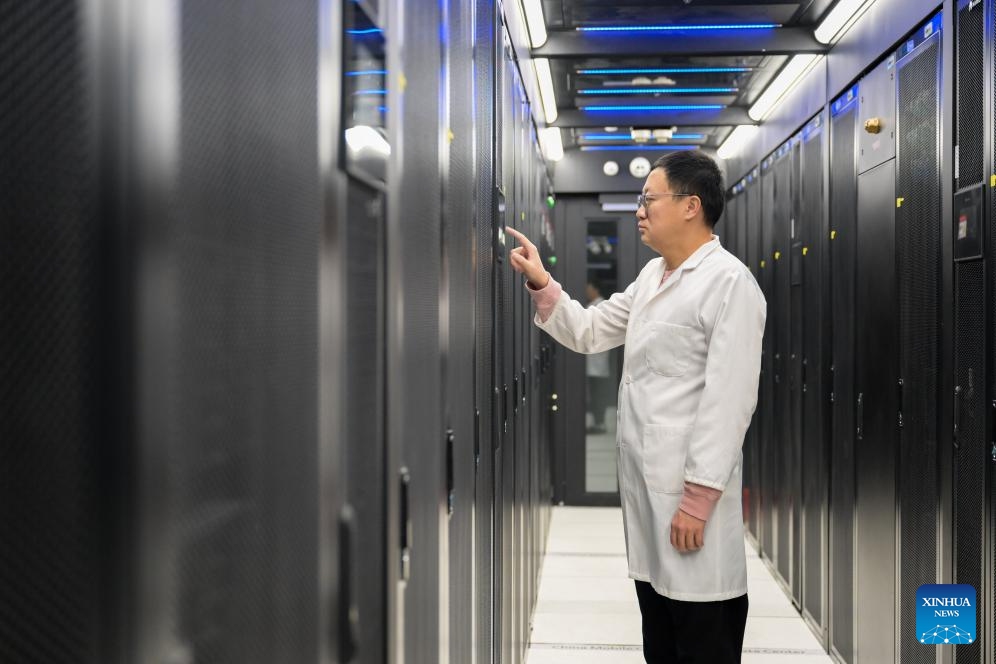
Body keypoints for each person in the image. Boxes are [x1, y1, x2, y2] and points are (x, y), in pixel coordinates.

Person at [506, 151, 765, 664]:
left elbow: (729, 401)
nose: (639, 211)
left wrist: (697, 499)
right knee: (661, 643)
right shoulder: (653, 276)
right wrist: (541, 281)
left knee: (701, 638)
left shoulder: (729, 283)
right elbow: (590, 330)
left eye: (649, 199)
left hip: (692, 506)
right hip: (650, 504)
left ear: (691, 206)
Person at [584, 279, 612, 434]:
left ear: (596, 290)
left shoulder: (600, 305)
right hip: (593, 362)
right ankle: (597, 423)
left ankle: (600, 424)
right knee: (594, 394)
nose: (587, 292)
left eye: (589, 288)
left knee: (598, 394)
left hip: (598, 363)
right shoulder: (593, 305)